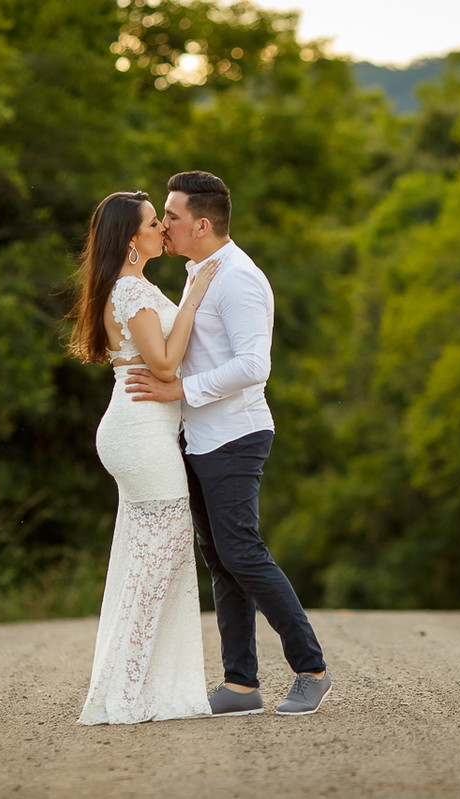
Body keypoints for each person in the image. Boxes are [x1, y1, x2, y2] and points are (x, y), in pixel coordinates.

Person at [126, 171, 331, 716]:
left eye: (170, 216)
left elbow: (254, 366)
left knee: (243, 552)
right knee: (220, 559)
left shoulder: (239, 278)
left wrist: (179, 388)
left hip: (237, 436)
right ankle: (241, 685)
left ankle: (311, 668)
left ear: (202, 223)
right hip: (199, 436)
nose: (164, 225)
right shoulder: (199, 272)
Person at [68, 190, 219, 725]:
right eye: (155, 224)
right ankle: (129, 690)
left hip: (137, 432)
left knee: (148, 557)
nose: (162, 230)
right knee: (162, 557)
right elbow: (162, 364)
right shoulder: (130, 290)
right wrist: (195, 299)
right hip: (141, 436)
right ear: (133, 240)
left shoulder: (134, 285)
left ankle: (134, 684)